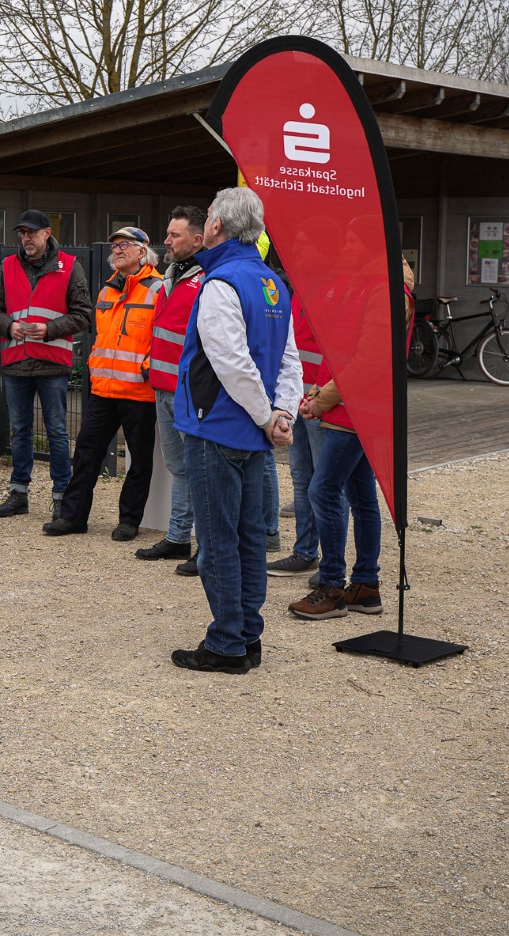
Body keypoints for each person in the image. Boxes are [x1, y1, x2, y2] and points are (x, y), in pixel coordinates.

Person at [169, 187, 301, 674]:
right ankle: (247, 637)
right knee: (248, 539)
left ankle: (227, 643)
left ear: (219, 226)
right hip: (253, 434)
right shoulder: (271, 283)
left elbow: (230, 361)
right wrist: (282, 414)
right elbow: (288, 359)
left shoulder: (220, 282)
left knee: (220, 542)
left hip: (219, 428)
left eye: (207, 219)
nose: (203, 225)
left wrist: (271, 417)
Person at [287, 258, 416, 619]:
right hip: (353, 406)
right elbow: (342, 349)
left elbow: (369, 360)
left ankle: (332, 586)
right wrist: (318, 393)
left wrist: (323, 399)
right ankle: (364, 586)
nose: (344, 251)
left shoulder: (386, 293)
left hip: (357, 409)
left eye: (352, 245)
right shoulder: (371, 288)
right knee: (359, 496)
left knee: (322, 489)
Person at [42, 227, 164, 541]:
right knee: (85, 453)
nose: (117, 250)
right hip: (103, 389)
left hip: (139, 390)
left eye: (124, 245)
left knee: (139, 459)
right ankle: (72, 517)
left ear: (142, 251)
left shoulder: (159, 289)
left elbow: (163, 338)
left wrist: (147, 368)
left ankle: (129, 521)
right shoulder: (107, 290)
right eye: (114, 245)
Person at [0, 210, 94, 518]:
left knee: (57, 431)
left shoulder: (70, 267)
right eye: (22, 233)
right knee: (19, 431)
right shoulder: (7, 266)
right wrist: (9, 326)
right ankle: (19, 494)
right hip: (17, 362)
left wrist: (49, 329)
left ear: (47, 233)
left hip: (51, 364)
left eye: (31, 232)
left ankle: (62, 498)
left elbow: (84, 314)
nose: (26, 238)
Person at [134, 207, 205, 565]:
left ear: (197, 240)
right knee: (180, 466)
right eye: (167, 233)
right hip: (163, 386)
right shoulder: (173, 274)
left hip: (189, 391)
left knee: (197, 468)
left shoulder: (207, 279)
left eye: (174, 235)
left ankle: (201, 545)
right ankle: (178, 537)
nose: (166, 240)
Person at [267, 291, 325, 578]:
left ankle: (331, 564)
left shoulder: (333, 290)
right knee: (302, 478)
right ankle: (305, 553)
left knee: (325, 485)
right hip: (298, 397)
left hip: (321, 400)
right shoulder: (300, 292)